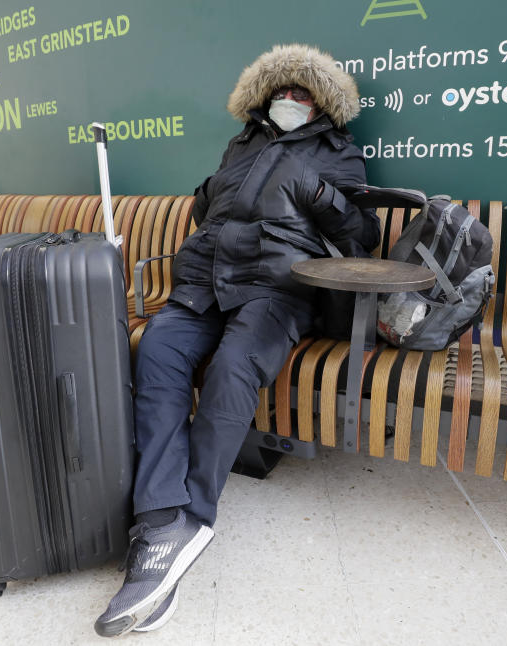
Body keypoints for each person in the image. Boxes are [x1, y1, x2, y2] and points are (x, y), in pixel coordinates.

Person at [93, 44, 380, 637]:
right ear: (264, 98)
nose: (291, 101)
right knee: (158, 354)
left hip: (278, 290)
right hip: (202, 282)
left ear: (321, 103)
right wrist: (207, 193)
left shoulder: (338, 153)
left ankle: (190, 517)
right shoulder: (242, 144)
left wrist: (317, 192)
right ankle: (159, 517)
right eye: (282, 92)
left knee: (232, 369)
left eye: (303, 94)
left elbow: (361, 235)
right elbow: (210, 216)